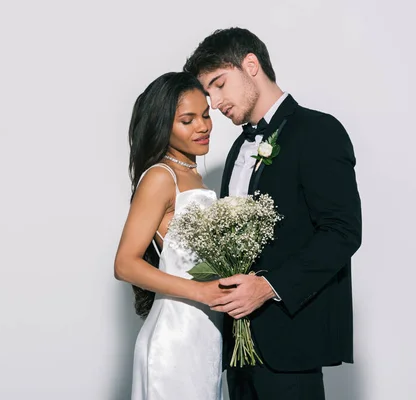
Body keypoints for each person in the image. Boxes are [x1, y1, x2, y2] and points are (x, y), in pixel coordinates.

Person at [183, 27, 362, 400]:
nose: (214, 103)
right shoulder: (236, 150)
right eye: (208, 93)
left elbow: (342, 231)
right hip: (238, 348)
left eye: (218, 84)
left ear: (251, 65)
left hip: (292, 347)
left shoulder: (319, 131)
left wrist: (268, 287)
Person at [114, 72, 228, 399]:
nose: (203, 126)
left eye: (205, 115)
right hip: (175, 337)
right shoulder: (162, 177)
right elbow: (125, 264)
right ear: (163, 125)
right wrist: (202, 293)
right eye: (187, 120)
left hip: (205, 334)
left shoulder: (193, 176)